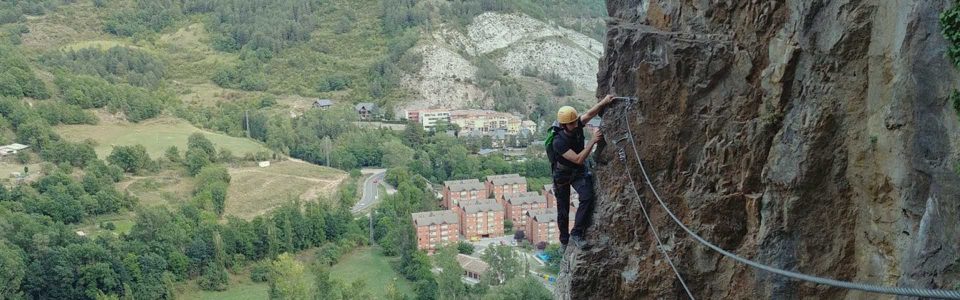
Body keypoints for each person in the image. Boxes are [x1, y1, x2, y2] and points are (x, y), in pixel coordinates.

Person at [552, 94, 615, 251]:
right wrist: (592, 141)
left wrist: (604, 102)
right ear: (564, 125)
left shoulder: (577, 124)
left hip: (577, 172)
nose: (575, 124)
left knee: (587, 197)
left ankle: (577, 233)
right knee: (563, 209)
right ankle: (564, 241)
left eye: (575, 121)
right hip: (563, 175)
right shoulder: (558, 141)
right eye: (571, 123)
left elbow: (589, 114)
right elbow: (579, 159)